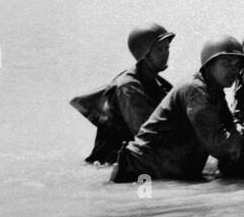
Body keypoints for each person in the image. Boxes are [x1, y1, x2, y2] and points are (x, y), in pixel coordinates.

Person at [111, 35, 244, 182]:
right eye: (226, 63)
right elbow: (219, 144)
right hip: (141, 175)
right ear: (209, 65)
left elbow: (229, 127)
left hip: (163, 174)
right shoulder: (196, 90)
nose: (233, 71)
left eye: (237, 65)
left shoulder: (214, 90)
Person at [70, 23, 175, 164]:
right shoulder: (128, 86)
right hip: (113, 164)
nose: (166, 53)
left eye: (167, 48)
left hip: (134, 159)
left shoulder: (158, 83)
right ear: (144, 54)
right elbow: (147, 133)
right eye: (159, 49)